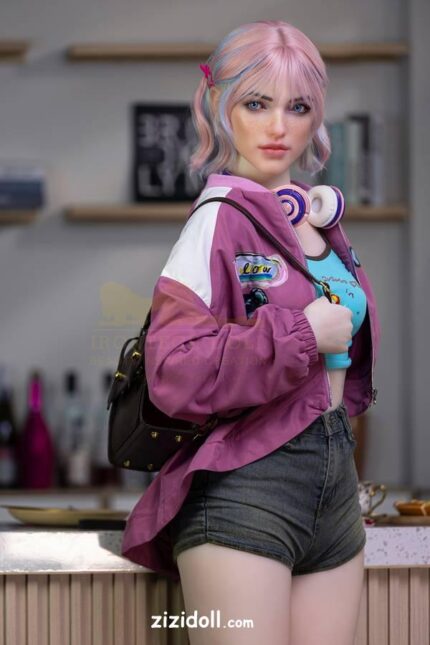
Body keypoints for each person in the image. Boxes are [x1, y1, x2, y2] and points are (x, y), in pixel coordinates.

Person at [122, 20, 381, 645]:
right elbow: (173, 368)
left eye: (298, 108)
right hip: (246, 487)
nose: (278, 127)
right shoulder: (216, 221)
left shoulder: (318, 222)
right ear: (220, 104)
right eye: (257, 104)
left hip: (334, 484)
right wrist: (301, 335)